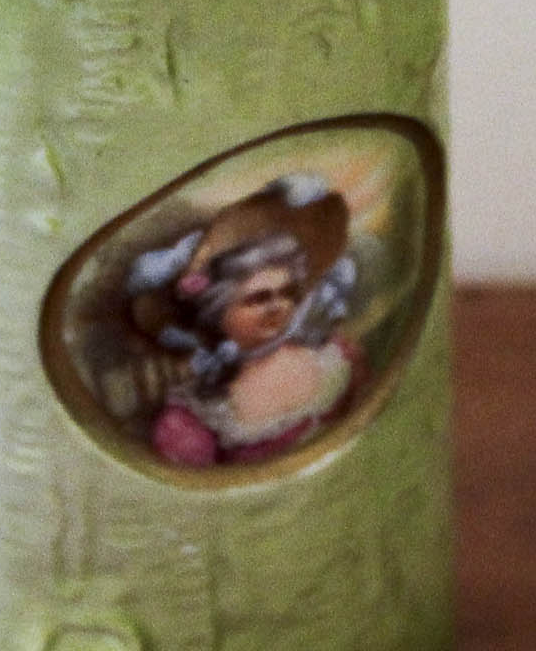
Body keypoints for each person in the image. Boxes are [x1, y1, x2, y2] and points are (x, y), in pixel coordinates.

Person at [125, 177, 363, 468]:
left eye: (287, 293)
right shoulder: (197, 419)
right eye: (258, 299)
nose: (277, 307)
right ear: (217, 311)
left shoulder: (335, 356)